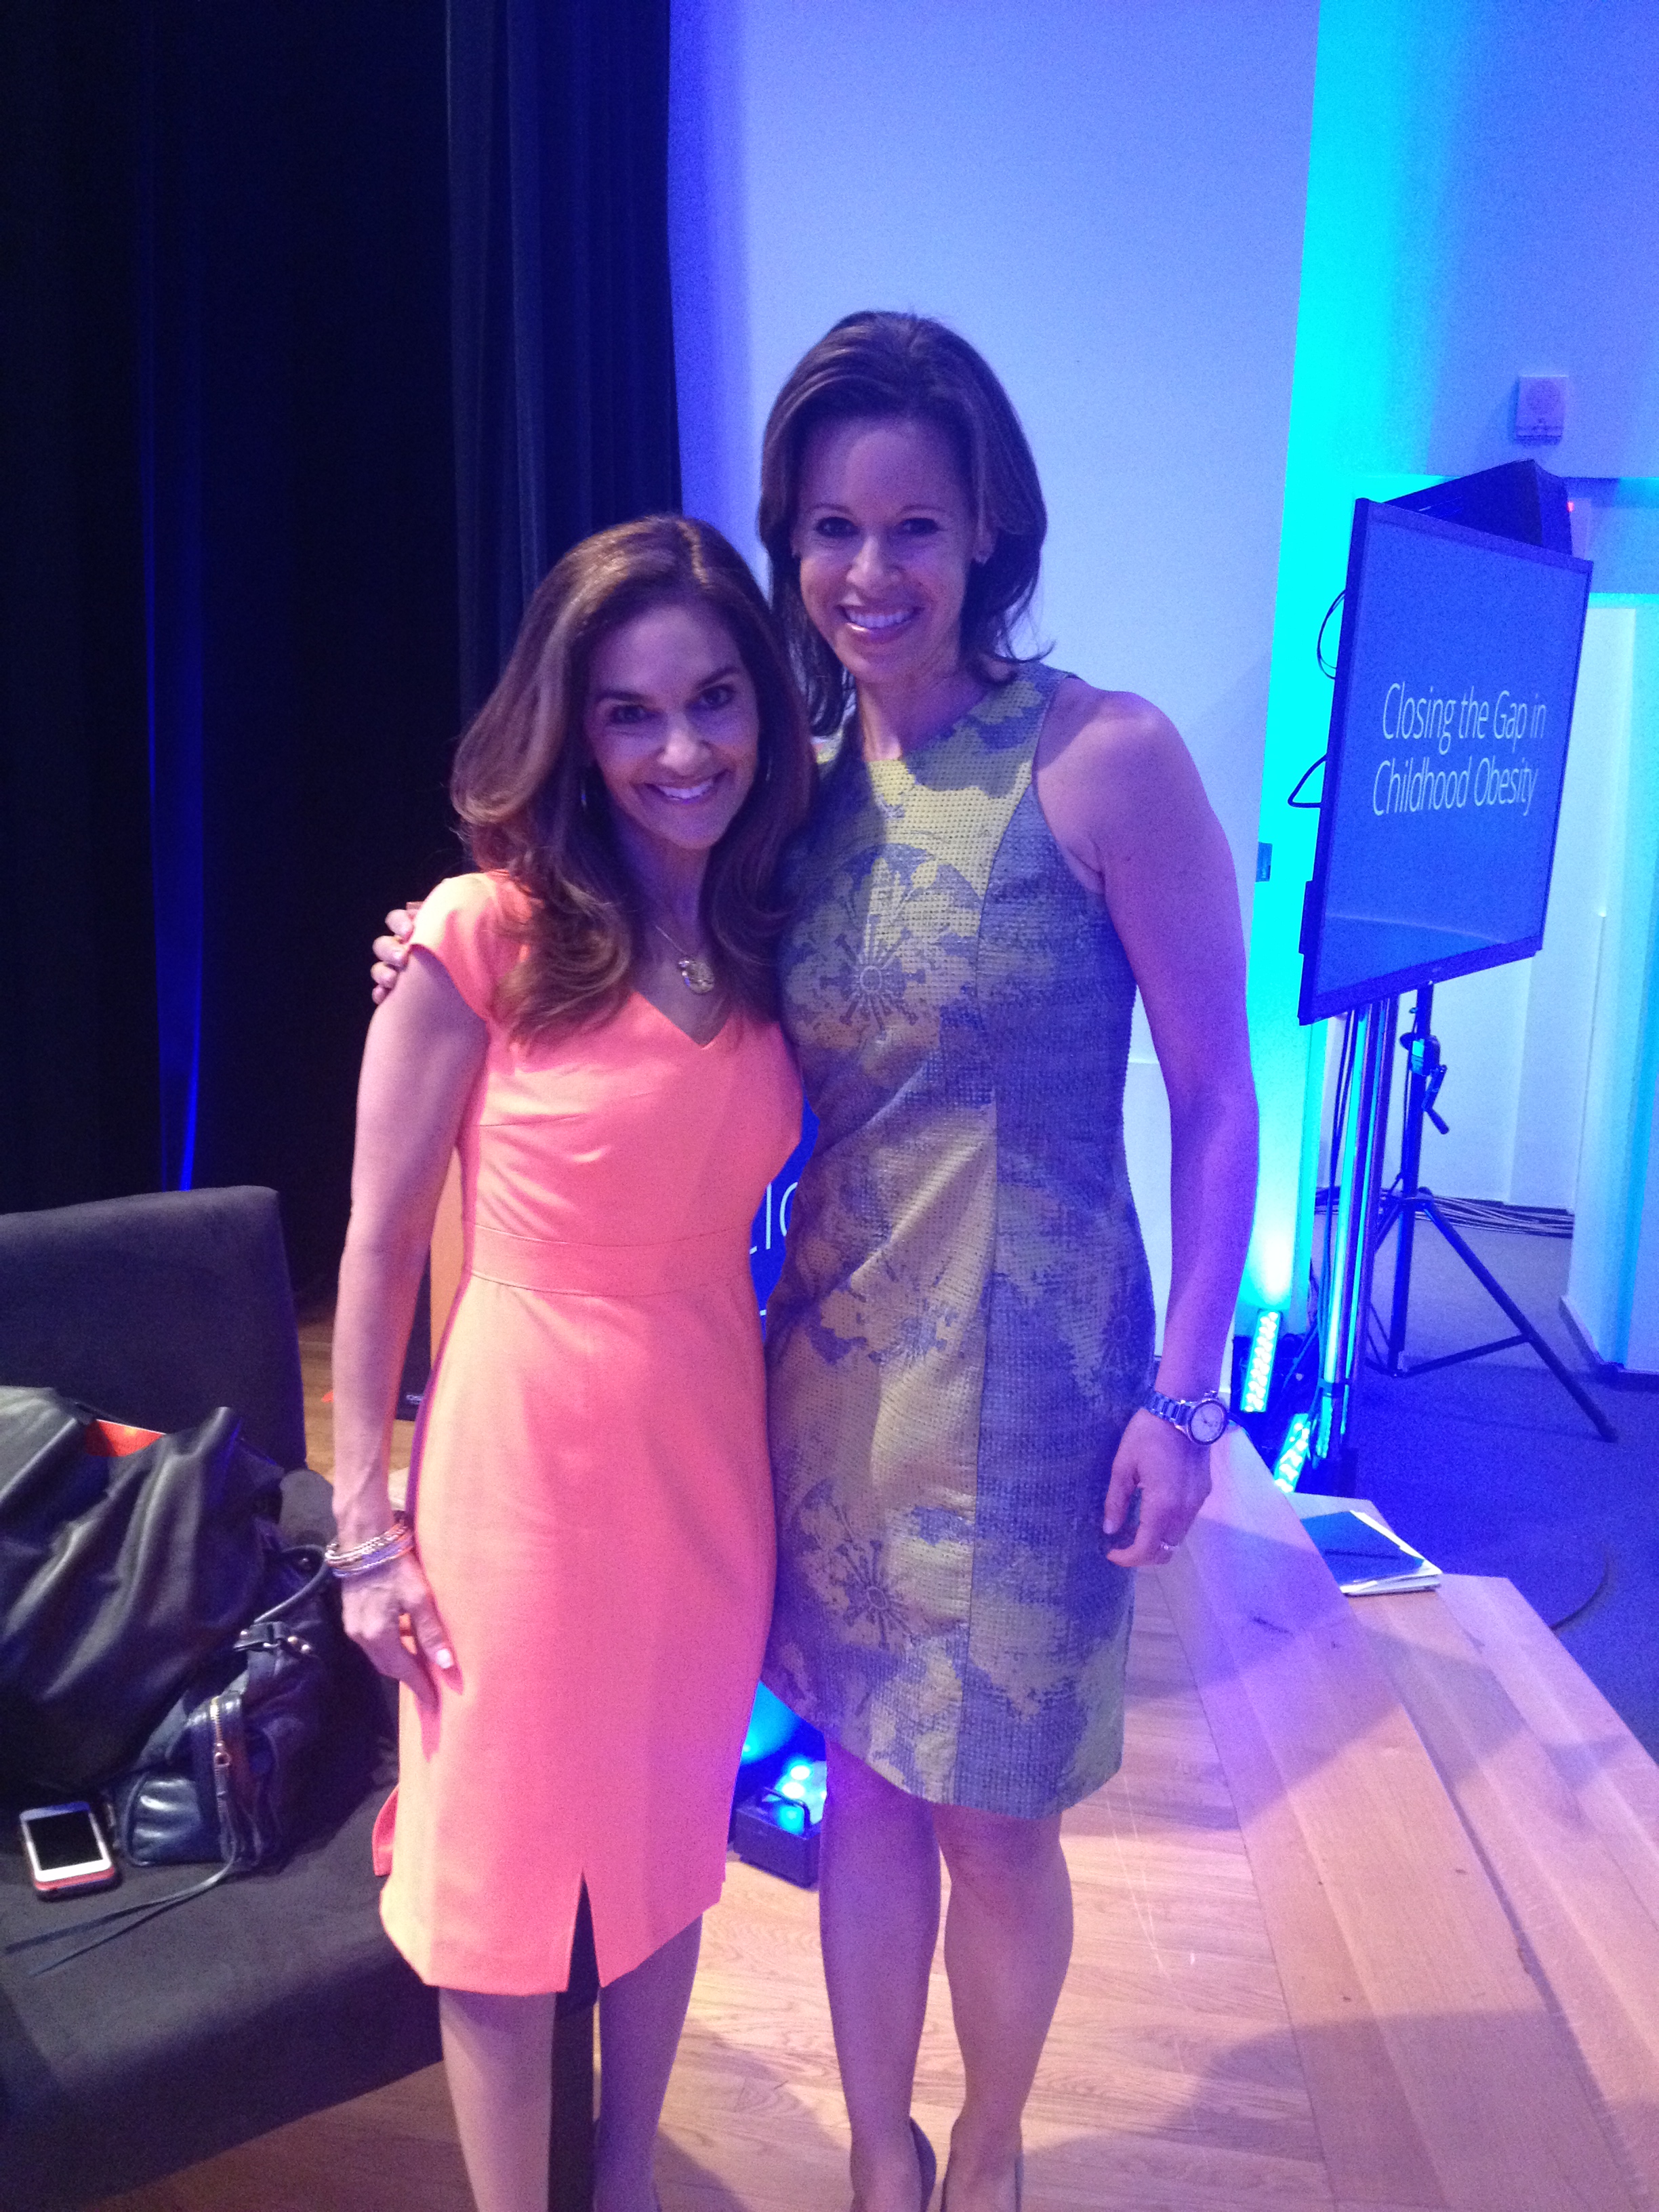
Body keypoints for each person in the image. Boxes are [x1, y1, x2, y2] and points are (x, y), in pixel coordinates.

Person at [376, 314, 1256, 2212]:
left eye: (917, 525)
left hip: (1043, 1404)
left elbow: (1218, 1097)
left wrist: (1191, 1394)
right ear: (794, 544)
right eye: (834, 529)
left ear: (987, 532)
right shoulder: (787, 806)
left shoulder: (1106, 762)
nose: (874, 571)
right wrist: (442, 963)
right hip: (823, 1389)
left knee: (994, 1825)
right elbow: (610, 964)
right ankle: (878, 2156)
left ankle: (995, 2157)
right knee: (862, 1789)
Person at [332, 513, 815, 2212]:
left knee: (668, 1848)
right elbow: (379, 1253)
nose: (681, 748)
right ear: (573, 727)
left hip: (708, 1462)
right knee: (504, 1883)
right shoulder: (481, 934)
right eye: (629, 713)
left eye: (712, 701)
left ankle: (625, 2185)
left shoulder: (773, 929)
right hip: (521, 1467)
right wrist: (364, 1530)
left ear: (765, 706)